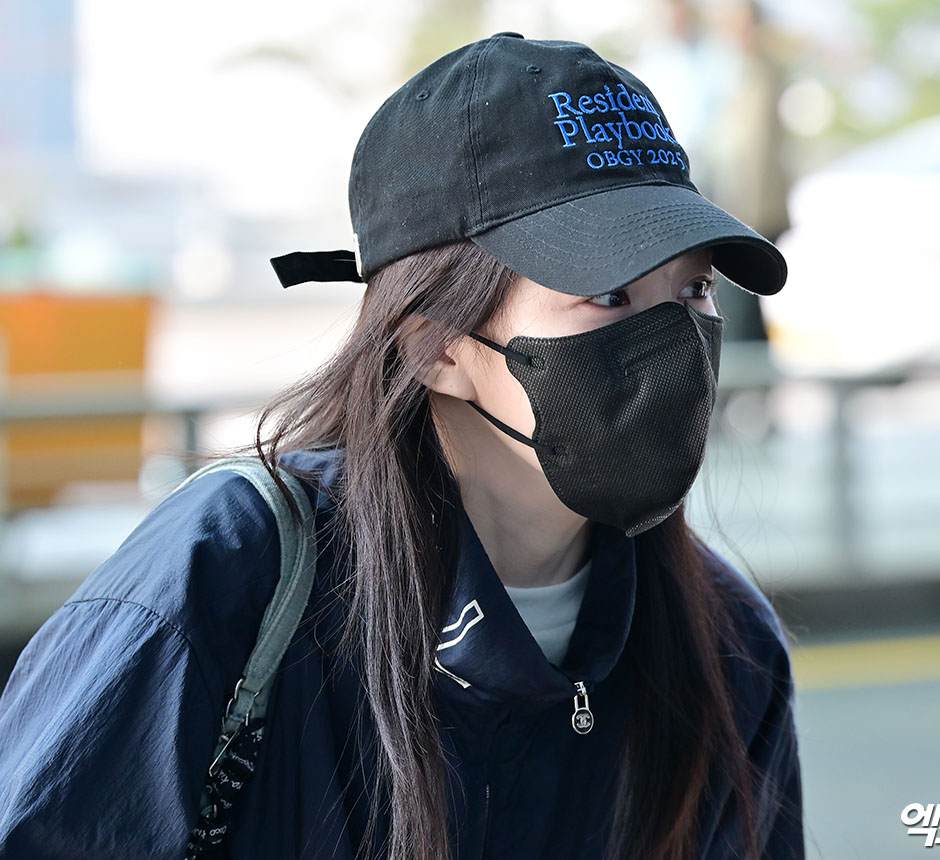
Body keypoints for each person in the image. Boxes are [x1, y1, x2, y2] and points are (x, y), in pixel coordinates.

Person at [0, 33, 803, 860]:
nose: (676, 340)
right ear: (435, 346)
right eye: (608, 294)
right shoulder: (228, 575)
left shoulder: (727, 644)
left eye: (694, 287)